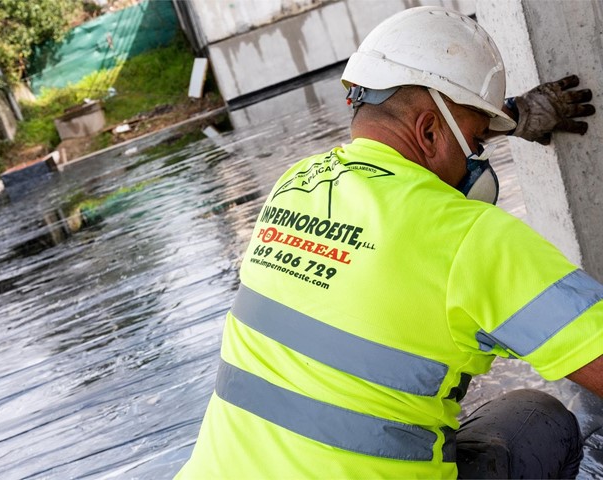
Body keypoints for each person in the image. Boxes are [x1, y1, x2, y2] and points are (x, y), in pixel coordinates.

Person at [175, 6, 601, 479]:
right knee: (537, 421)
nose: (475, 165)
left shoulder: (294, 186)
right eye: (477, 144)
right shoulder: (471, 238)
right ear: (428, 130)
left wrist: (507, 117)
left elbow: (393, 200)